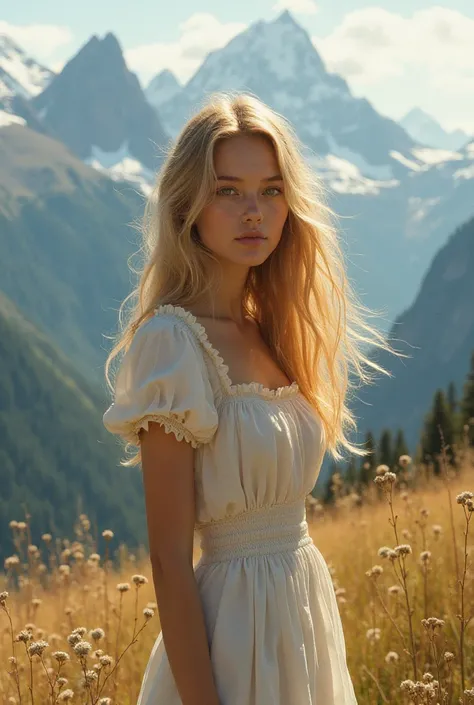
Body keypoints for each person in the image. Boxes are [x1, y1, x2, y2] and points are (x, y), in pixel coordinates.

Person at [102, 92, 399, 705]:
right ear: (189, 203)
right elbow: (167, 557)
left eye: (270, 190)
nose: (253, 213)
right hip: (229, 632)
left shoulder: (277, 330)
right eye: (228, 190)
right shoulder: (171, 343)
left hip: (301, 612)